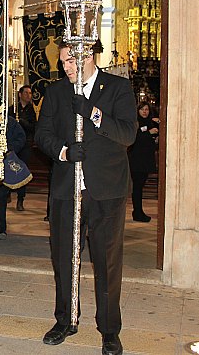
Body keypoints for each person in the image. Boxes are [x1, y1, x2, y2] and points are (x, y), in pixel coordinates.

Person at [35, 43, 137, 355]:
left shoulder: (118, 88)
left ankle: (109, 330)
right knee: (64, 258)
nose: (64, 67)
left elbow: (127, 134)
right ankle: (65, 319)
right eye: (62, 61)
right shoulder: (55, 93)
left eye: (69, 61)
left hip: (107, 190)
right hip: (68, 190)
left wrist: (92, 113)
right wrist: (64, 152)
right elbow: (42, 135)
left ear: (87, 56)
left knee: (107, 263)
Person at [0, 115, 26, 240]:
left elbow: (21, 138)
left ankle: (0, 228)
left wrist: (7, 148)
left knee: (0, 197)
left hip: (2, 163)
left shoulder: (9, 121)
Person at [128, 102, 159, 223]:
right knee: (137, 187)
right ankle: (137, 212)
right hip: (137, 159)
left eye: (146, 109)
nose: (144, 111)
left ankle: (138, 211)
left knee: (140, 186)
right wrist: (148, 133)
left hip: (146, 159)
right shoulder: (135, 122)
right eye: (142, 109)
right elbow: (135, 137)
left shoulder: (150, 122)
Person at [8, 85, 36, 211]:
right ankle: (7, 193)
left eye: (30, 93)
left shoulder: (31, 110)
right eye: (26, 93)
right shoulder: (12, 108)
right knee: (8, 168)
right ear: (20, 94)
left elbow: (33, 127)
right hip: (12, 145)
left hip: (25, 145)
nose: (28, 95)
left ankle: (20, 199)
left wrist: (23, 122)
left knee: (21, 170)